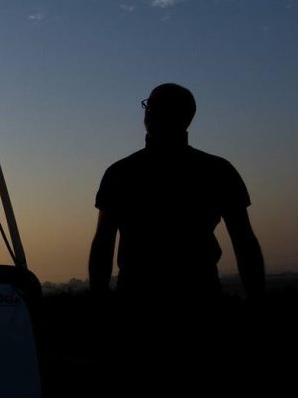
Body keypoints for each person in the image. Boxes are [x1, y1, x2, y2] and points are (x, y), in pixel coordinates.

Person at [89, 83, 266, 299]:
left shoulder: (121, 173)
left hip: (145, 297)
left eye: (155, 105)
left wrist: (98, 298)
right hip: (194, 292)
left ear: (184, 115)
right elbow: (244, 240)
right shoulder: (217, 170)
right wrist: (258, 298)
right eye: (149, 105)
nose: (149, 111)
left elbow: (103, 242)